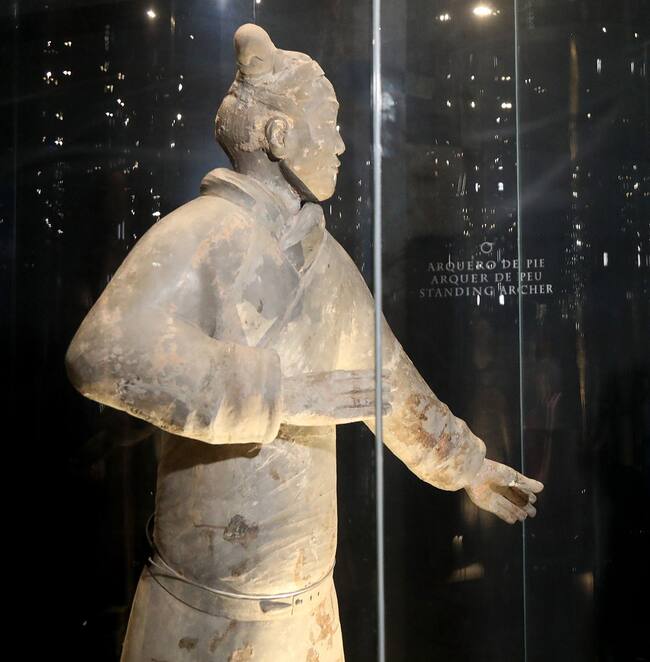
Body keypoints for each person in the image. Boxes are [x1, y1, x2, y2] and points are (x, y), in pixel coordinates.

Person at [65, 23, 543, 662]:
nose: (342, 145)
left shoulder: (328, 262)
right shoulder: (201, 234)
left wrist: (468, 468)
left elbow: (390, 386)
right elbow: (102, 353)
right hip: (202, 613)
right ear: (278, 135)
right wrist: (281, 393)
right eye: (330, 125)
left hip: (309, 610)